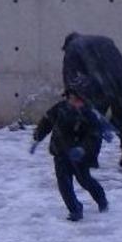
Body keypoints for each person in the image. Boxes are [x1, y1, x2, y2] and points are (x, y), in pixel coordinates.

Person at [32, 77, 109, 222]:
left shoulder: (90, 116)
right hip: (61, 152)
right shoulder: (60, 109)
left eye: (77, 100)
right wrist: (38, 135)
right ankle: (75, 209)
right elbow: (47, 120)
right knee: (64, 184)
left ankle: (101, 199)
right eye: (70, 98)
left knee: (85, 180)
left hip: (80, 157)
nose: (73, 102)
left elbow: (94, 137)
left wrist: (83, 149)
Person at [61, 32, 122, 168]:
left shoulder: (72, 48)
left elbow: (70, 76)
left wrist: (70, 94)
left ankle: (90, 158)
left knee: (93, 120)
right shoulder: (105, 40)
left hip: (99, 83)